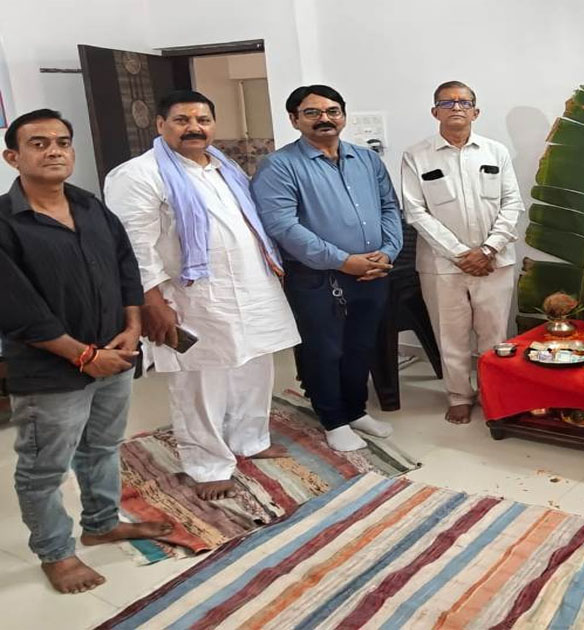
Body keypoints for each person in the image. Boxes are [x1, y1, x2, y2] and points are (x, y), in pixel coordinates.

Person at [0, 109, 172, 593]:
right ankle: (55, 552)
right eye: (39, 143)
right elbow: (18, 309)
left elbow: (125, 267)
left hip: (114, 355)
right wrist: (83, 356)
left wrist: (133, 327)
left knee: (101, 447)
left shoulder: (90, 206)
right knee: (44, 468)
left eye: (62, 141)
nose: (54, 151)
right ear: (13, 157)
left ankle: (101, 523)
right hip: (51, 371)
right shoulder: (6, 223)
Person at [104, 90, 300, 500]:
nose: (194, 127)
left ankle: (250, 440)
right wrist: (152, 302)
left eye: (202, 120)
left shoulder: (224, 167)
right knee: (200, 379)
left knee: (254, 367)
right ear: (161, 124)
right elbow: (133, 247)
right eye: (182, 120)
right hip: (191, 297)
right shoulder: (138, 174)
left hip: (252, 286)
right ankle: (207, 463)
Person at [252, 84, 402, 451]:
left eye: (333, 111)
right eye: (312, 113)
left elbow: (389, 207)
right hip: (317, 277)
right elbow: (283, 226)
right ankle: (333, 420)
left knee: (360, 346)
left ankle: (355, 410)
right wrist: (343, 261)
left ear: (343, 116)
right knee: (324, 350)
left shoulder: (366, 160)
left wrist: (387, 252)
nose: (325, 119)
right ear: (294, 119)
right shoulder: (280, 166)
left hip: (372, 272)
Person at [400, 81, 525, 424]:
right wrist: (460, 254)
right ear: (435, 112)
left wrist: (488, 248)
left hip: (494, 261)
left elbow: (512, 203)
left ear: (475, 111)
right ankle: (458, 395)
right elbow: (415, 212)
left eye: (464, 102)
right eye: (447, 102)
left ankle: (492, 393)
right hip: (441, 264)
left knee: (494, 334)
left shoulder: (495, 152)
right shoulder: (416, 155)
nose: (456, 107)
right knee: (450, 335)